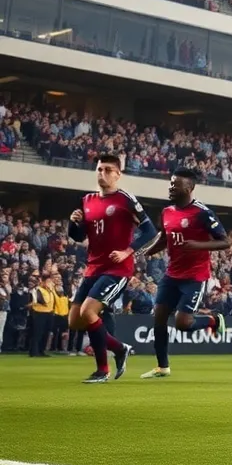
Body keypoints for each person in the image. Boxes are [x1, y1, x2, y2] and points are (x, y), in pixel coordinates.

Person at [68, 154, 160, 383]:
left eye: (108, 170)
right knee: (74, 320)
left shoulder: (125, 199)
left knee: (88, 312)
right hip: (93, 267)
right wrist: (73, 223)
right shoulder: (87, 200)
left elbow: (150, 231)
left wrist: (128, 251)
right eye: (100, 169)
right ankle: (120, 349)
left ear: (118, 174)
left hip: (117, 268)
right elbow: (78, 237)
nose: (103, 174)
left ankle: (102, 370)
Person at [141, 169, 230, 378]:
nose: (171, 188)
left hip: (195, 276)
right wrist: (148, 250)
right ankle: (162, 367)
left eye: (176, 185)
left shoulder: (202, 212)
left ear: (189, 188)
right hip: (172, 274)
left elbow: (225, 241)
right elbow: (164, 238)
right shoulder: (167, 212)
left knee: (182, 323)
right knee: (159, 319)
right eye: (171, 184)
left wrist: (198, 245)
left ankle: (213, 320)